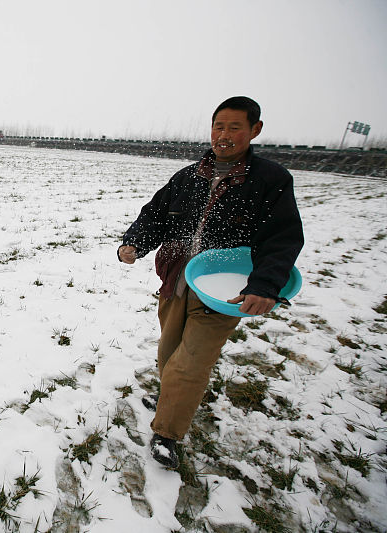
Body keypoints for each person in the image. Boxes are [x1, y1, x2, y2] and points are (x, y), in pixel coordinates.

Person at [117, 96, 303, 469]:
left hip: (224, 290)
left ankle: (167, 432)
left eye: (236, 127)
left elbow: (281, 239)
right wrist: (135, 241)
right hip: (176, 279)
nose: (225, 134)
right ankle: (170, 396)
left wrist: (265, 286)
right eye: (219, 126)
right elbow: (155, 213)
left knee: (192, 360)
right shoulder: (187, 176)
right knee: (169, 350)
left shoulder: (270, 180)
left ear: (255, 130)